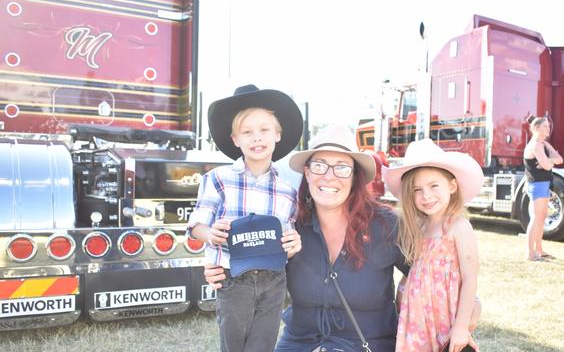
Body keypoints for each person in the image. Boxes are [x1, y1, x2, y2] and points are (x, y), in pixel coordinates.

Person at [204, 125, 482, 351]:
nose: (330, 176)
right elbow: (252, 267)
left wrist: (470, 307)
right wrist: (221, 268)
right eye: (320, 166)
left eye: (342, 168)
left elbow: (431, 275)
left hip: (367, 344)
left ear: (355, 177)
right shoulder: (289, 225)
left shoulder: (387, 226)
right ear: (307, 173)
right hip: (300, 343)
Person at [186, 84, 304, 352]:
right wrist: (210, 233)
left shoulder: (287, 189)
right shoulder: (218, 179)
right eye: (247, 132)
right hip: (233, 276)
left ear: (277, 134)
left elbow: (291, 232)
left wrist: (294, 241)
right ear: (235, 139)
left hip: (274, 279)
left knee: (263, 344)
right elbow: (195, 226)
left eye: (264, 130)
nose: (256, 138)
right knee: (234, 344)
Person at [383, 138, 483, 352]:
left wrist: (461, 327)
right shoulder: (416, 226)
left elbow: (470, 278)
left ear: (452, 186)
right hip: (415, 319)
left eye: (433, 186)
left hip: (446, 316)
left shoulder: (458, 226)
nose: (426, 195)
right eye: (417, 190)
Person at [523, 116, 563, 261]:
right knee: (536, 217)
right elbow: (546, 166)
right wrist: (549, 162)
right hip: (537, 184)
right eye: (545, 126)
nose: (548, 128)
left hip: (544, 183)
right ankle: (530, 253)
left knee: (541, 218)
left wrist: (549, 160)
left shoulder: (544, 144)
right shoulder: (535, 145)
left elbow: (559, 159)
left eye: (548, 126)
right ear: (536, 128)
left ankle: (539, 250)